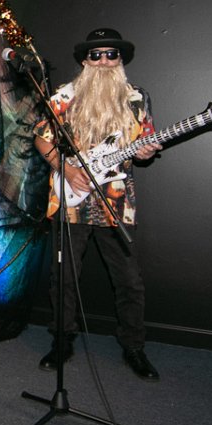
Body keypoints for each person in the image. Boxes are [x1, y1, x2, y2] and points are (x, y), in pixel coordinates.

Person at [32, 28, 163, 381]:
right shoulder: (65, 96)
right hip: (70, 200)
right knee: (63, 277)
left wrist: (147, 150)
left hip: (116, 201)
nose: (104, 61)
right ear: (84, 61)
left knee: (129, 280)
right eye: (96, 55)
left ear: (120, 60)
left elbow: (146, 142)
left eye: (111, 54)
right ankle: (62, 340)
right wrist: (65, 168)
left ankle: (133, 346)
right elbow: (42, 138)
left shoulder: (136, 99)